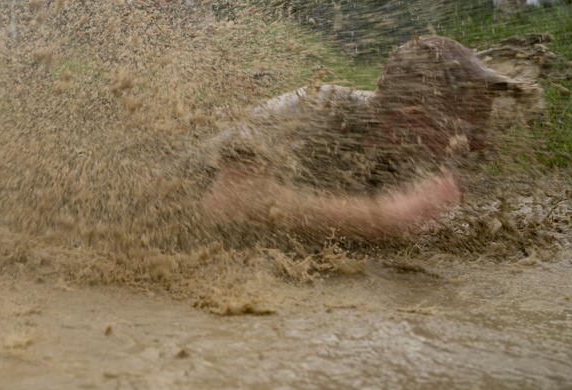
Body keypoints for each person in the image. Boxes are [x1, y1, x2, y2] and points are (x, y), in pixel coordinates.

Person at [200, 35, 532, 240]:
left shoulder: (408, 154)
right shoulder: (321, 109)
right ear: (412, 118)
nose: (480, 143)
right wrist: (382, 218)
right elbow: (228, 200)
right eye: (468, 129)